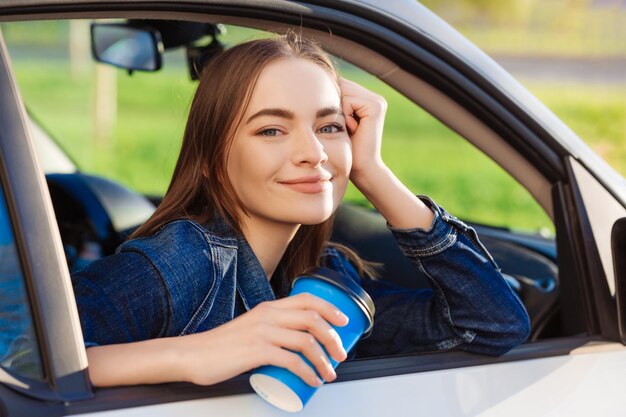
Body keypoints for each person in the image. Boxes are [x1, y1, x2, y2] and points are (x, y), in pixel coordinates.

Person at [71, 31, 530, 388]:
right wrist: (195, 353)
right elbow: (23, 352)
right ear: (211, 160)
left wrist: (369, 170)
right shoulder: (183, 260)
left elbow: (491, 325)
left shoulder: (323, 276)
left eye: (329, 126)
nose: (314, 152)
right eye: (272, 130)